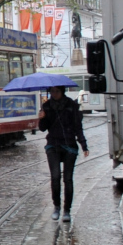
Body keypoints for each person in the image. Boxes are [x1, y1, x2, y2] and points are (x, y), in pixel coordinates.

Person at [39, 84, 87, 223]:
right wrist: (42, 118)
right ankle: (57, 207)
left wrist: (83, 145)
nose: (54, 94)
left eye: (57, 91)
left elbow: (78, 127)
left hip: (69, 146)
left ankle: (67, 210)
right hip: (53, 145)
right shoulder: (47, 106)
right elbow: (42, 129)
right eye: (52, 91)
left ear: (62, 91)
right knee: (55, 177)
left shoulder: (71, 106)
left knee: (67, 179)